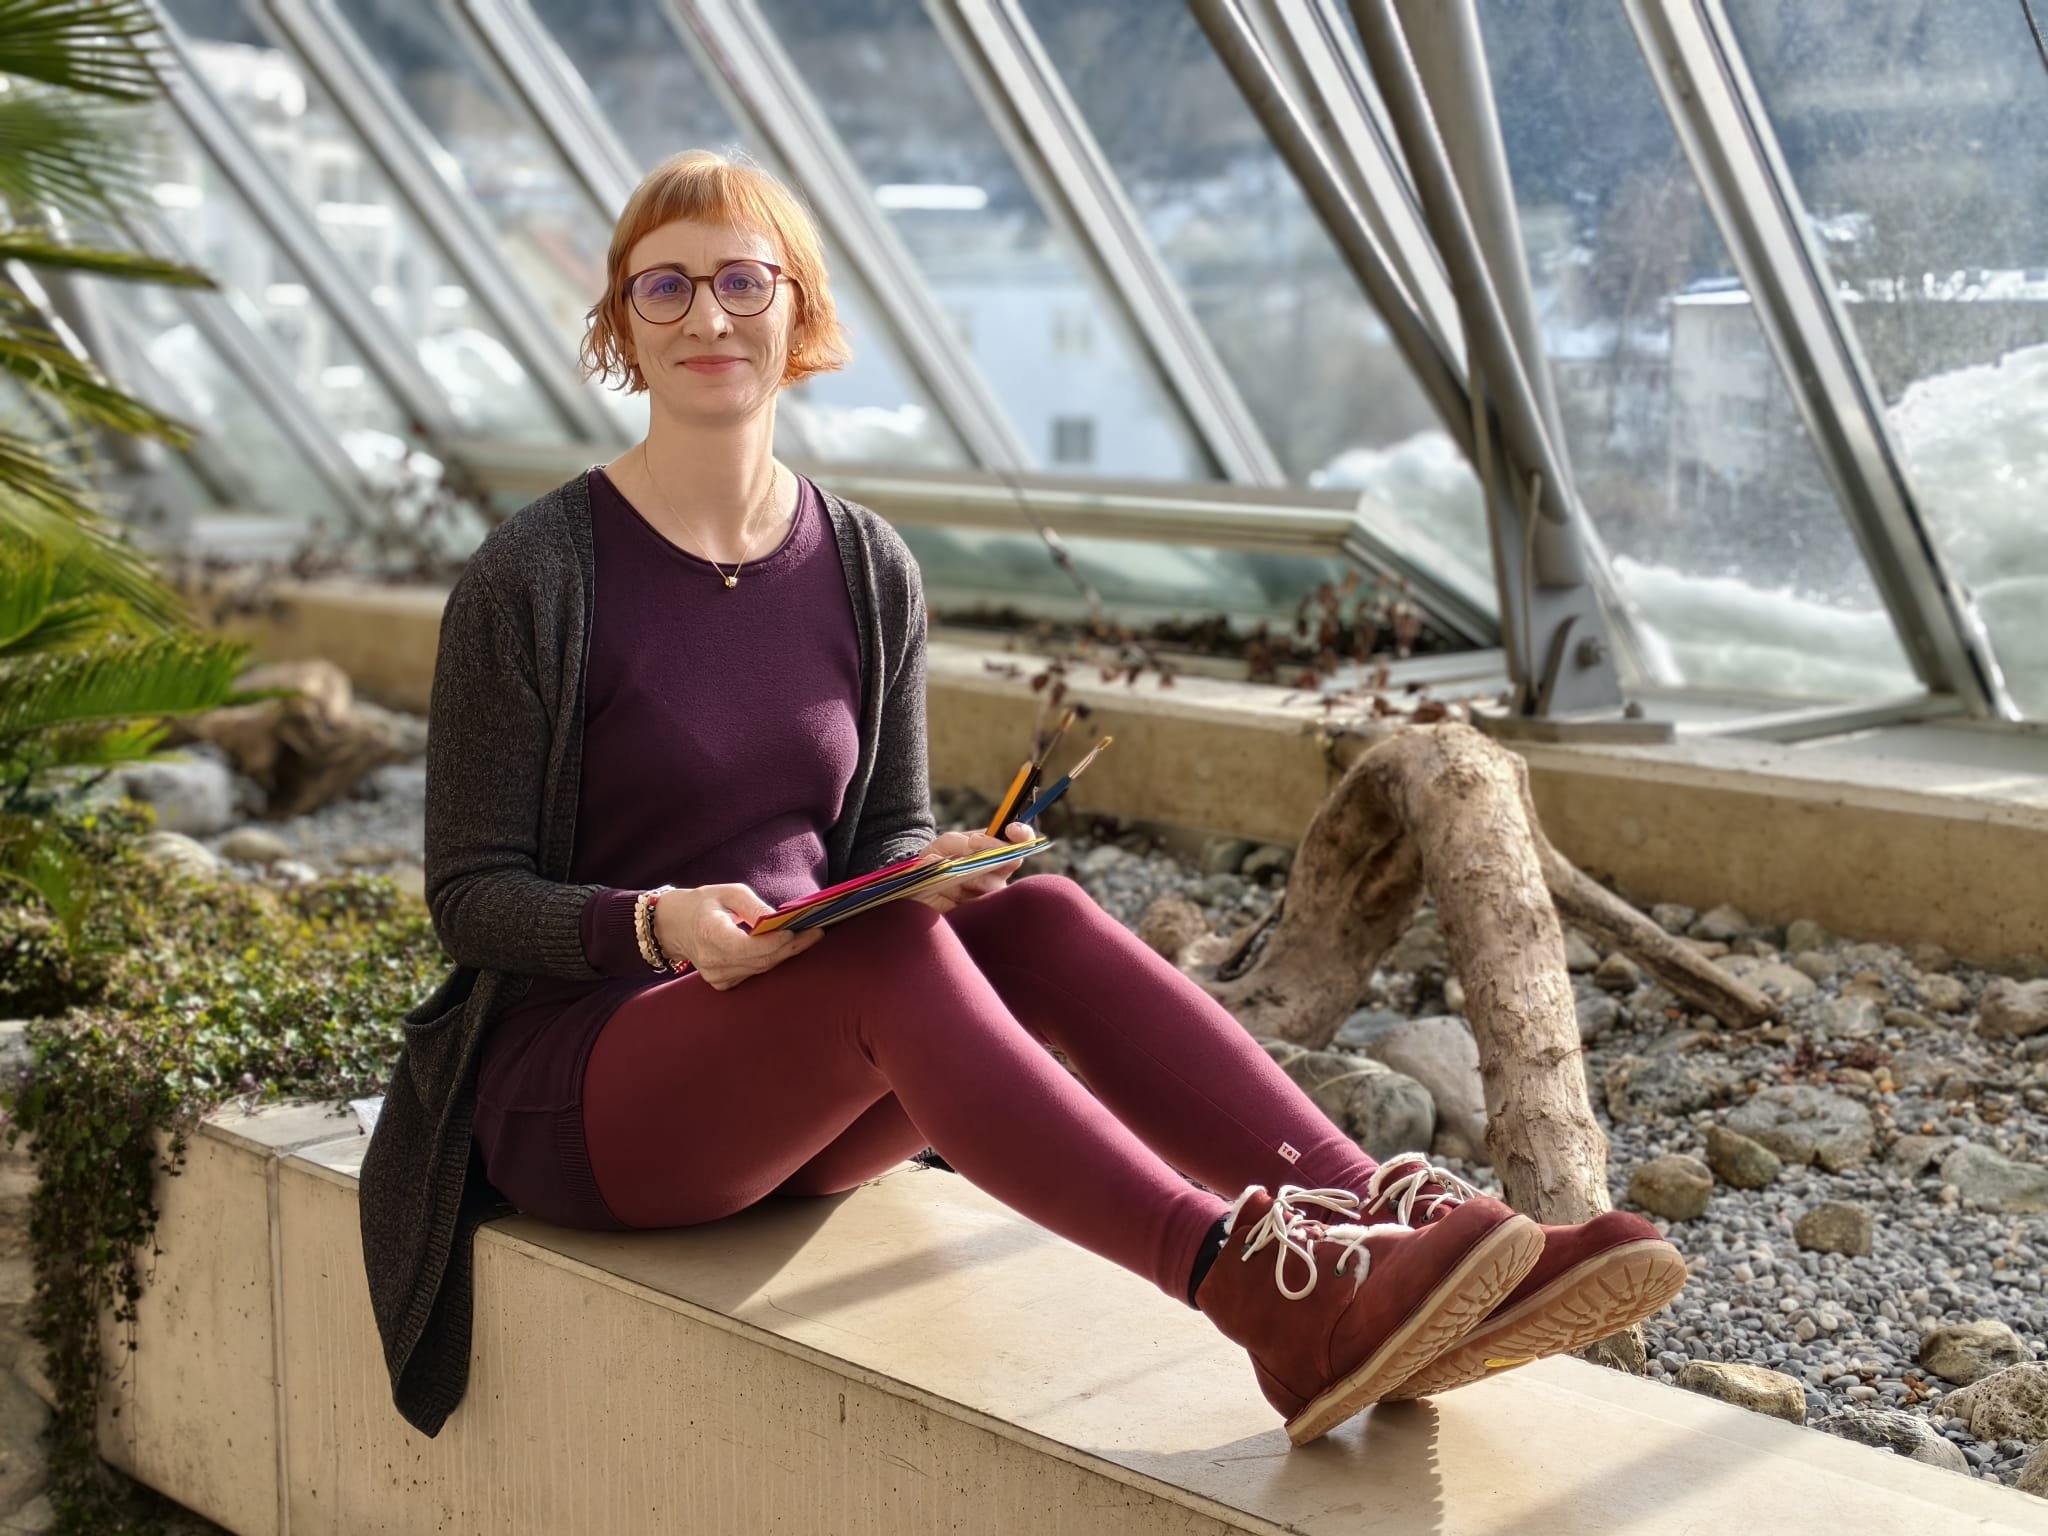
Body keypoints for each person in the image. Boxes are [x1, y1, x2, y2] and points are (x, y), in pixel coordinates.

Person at [357, 150, 1686, 1447]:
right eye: (666, 289)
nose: (708, 315)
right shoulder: (536, 576)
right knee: (885, 948)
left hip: (797, 1065)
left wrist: (930, 865)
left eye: (745, 282)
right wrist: (654, 924)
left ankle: (1377, 1221)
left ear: (802, 312)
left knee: (1033, 919)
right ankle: (1251, 1292)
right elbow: (469, 900)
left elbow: (870, 836)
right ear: (622, 332)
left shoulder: (866, 564)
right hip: (586, 1092)